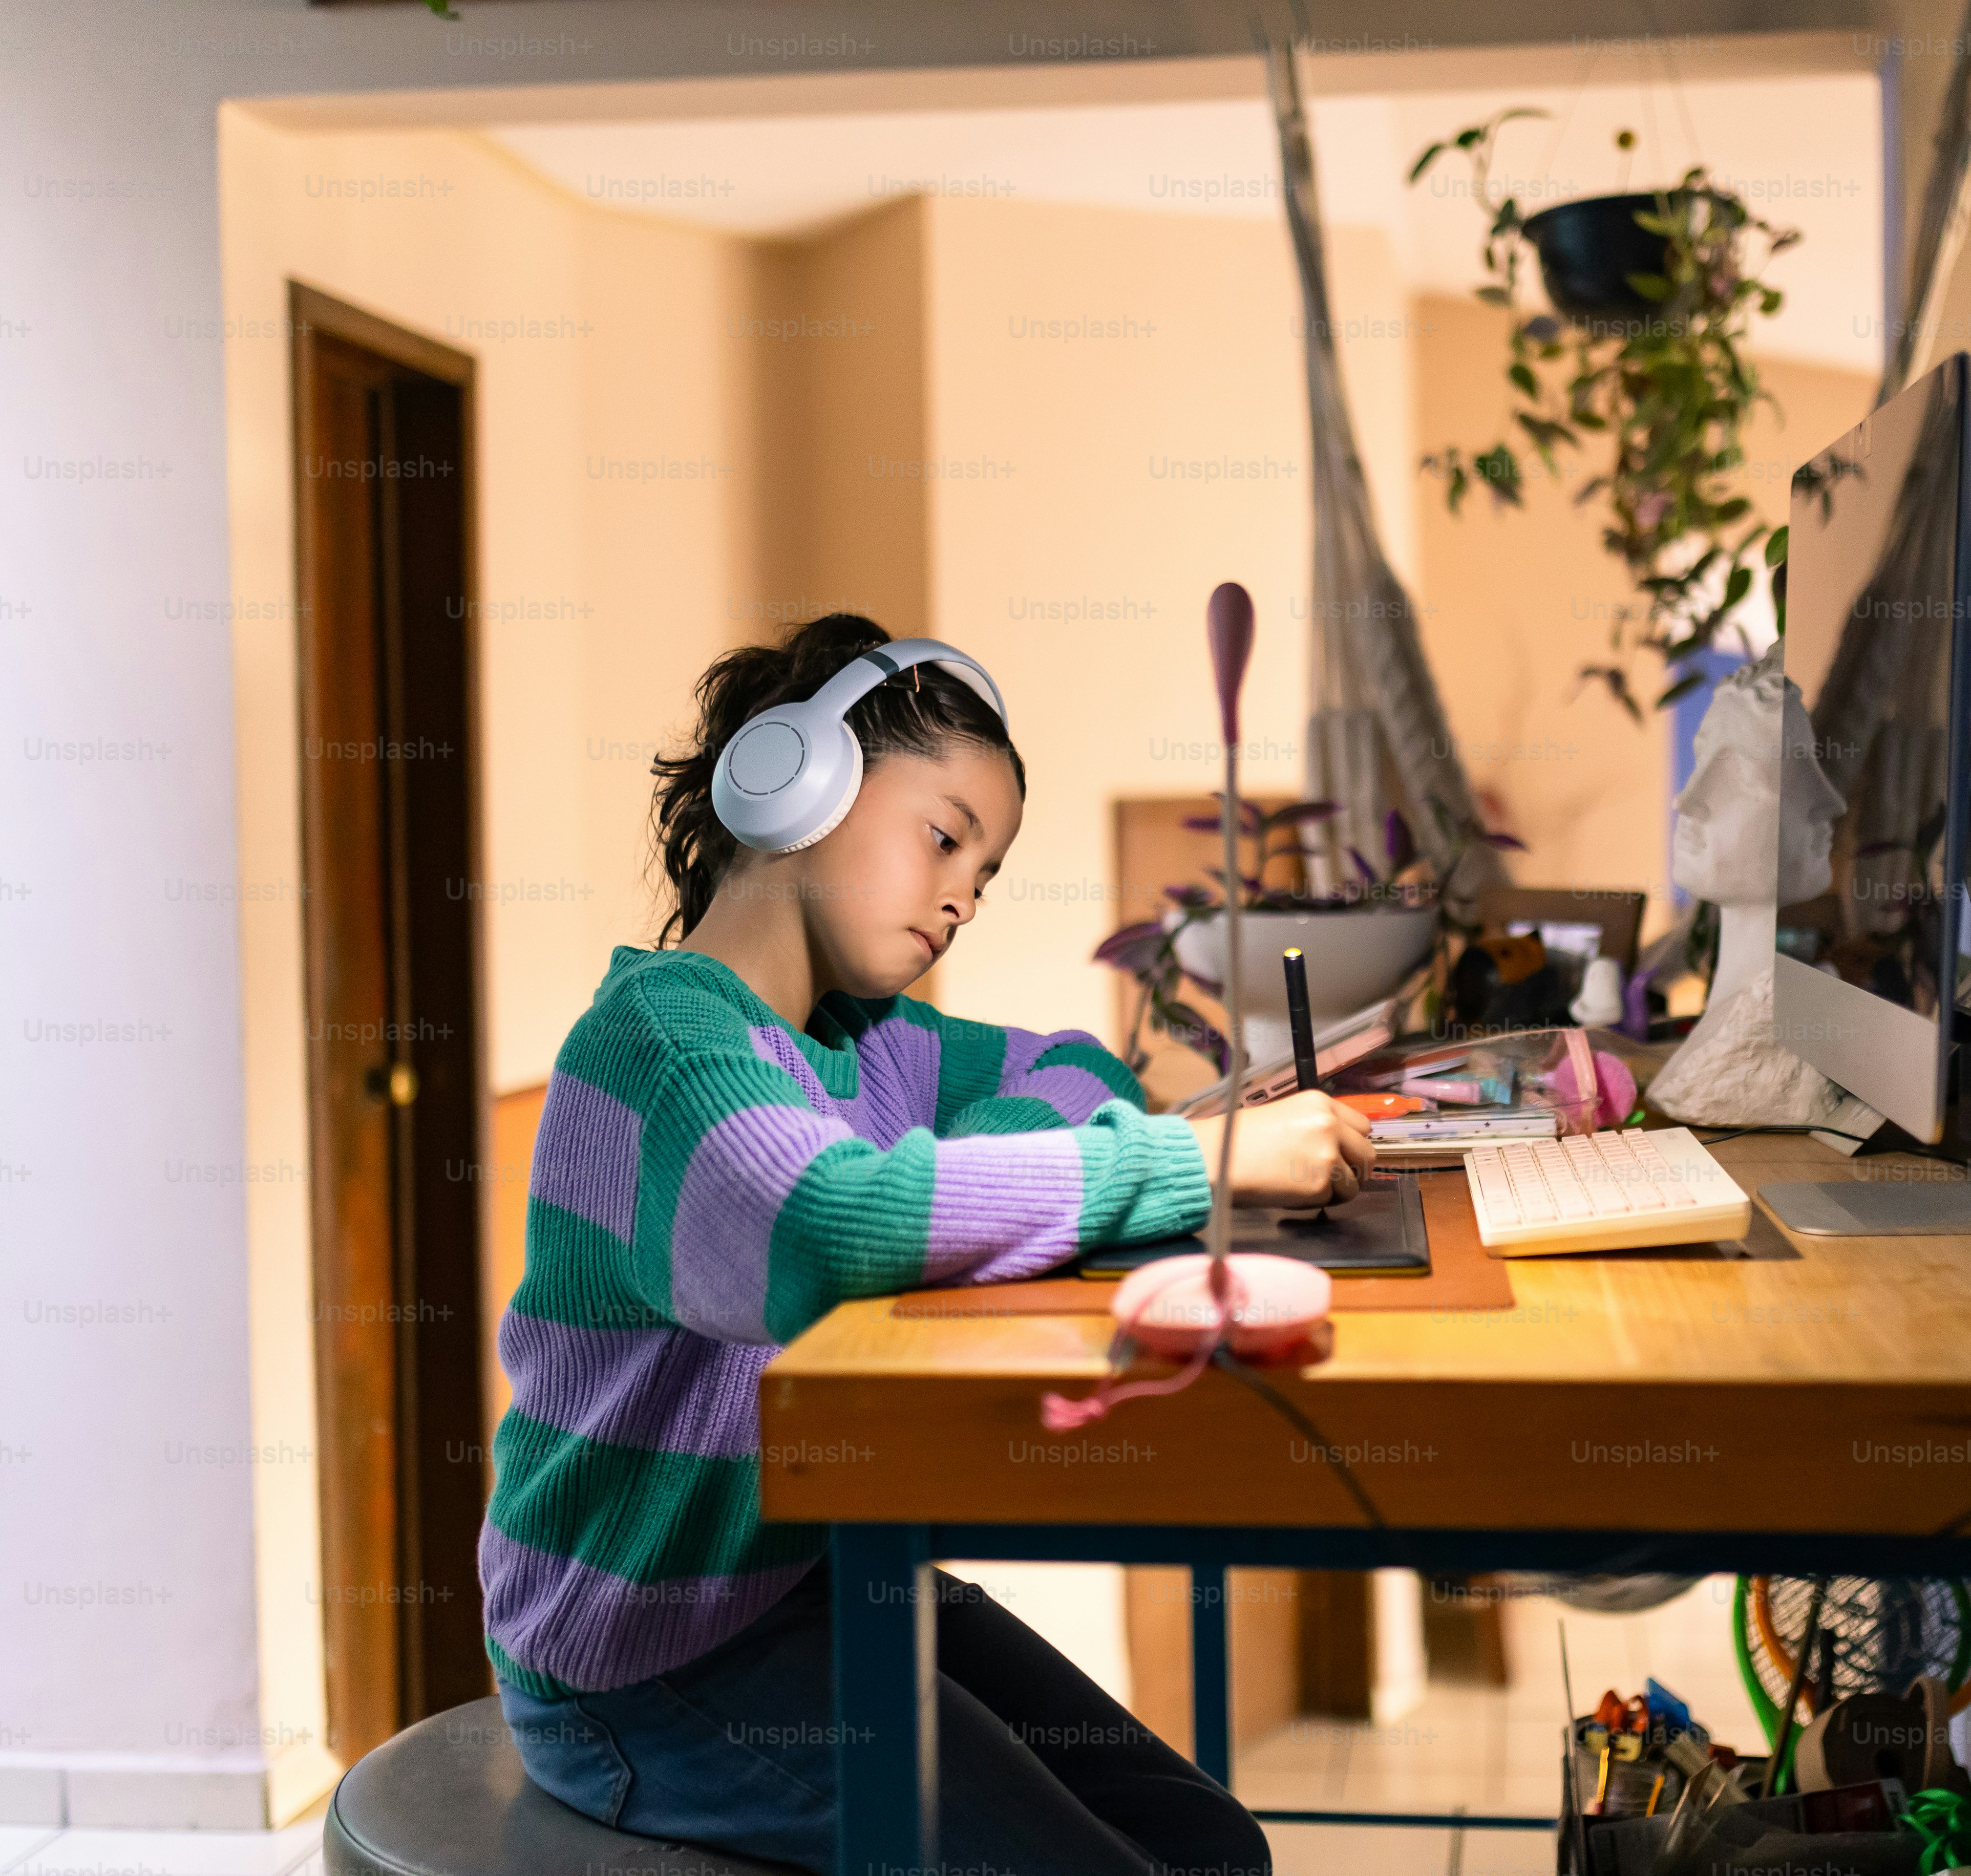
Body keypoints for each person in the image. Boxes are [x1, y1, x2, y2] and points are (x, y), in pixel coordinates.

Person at [482, 613, 1370, 1874]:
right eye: (944, 836)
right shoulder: (661, 1045)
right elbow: (826, 1230)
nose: (963, 894)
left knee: (1211, 1845)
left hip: (803, 1587)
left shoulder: (869, 1043)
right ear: (795, 788)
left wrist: (946, 1175)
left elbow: (1073, 1065)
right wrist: (1195, 1159)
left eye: (988, 869)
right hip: (639, 1661)